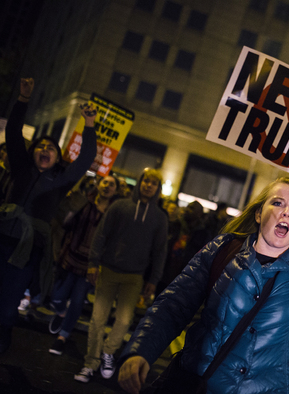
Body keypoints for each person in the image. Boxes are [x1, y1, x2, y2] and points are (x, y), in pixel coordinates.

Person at [117, 145, 289, 394]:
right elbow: (174, 304)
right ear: (258, 213)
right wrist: (142, 350)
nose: (286, 212)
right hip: (196, 384)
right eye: (277, 203)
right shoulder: (223, 250)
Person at [0, 78, 97, 354]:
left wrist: (89, 125)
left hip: (26, 250)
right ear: (33, 154)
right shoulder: (21, 169)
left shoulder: (61, 181)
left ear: (57, 158)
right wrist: (23, 99)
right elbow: (14, 133)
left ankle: (4, 331)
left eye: (51, 149)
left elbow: (85, 159)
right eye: (41, 147)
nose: (45, 150)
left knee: (8, 305)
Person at [74, 169, 168, 383]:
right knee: (98, 318)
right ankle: (90, 363)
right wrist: (93, 264)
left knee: (124, 320)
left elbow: (160, 250)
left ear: (158, 189)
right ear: (140, 183)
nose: (148, 185)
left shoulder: (159, 218)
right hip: (107, 270)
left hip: (134, 277)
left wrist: (154, 279)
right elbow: (101, 235)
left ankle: (108, 353)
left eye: (154, 183)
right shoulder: (120, 206)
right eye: (146, 181)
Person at [47, 175, 119, 355]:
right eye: (105, 182)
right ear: (98, 185)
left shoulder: (114, 214)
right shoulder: (85, 203)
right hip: (71, 255)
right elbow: (66, 223)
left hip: (92, 264)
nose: (107, 186)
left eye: (112, 184)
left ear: (115, 191)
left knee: (78, 300)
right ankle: (61, 312)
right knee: (57, 295)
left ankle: (62, 336)